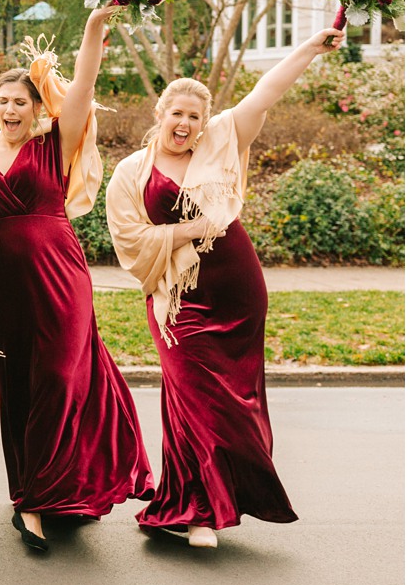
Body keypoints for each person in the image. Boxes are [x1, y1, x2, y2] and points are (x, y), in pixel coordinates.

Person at [104, 27, 343, 547]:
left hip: (235, 286)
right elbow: (128, 238)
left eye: (194, 115)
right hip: (176, 298)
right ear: (160, 114)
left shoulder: (223, 138)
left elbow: (266, 92)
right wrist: (188, 230)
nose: (185, 124)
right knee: (192, 396)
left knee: (234, 402)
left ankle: (207, 505)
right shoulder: (130, 172)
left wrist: (307, 49)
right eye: (177, 114)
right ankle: (196, 511)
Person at [0, 10, 152, 554]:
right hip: (3, 284)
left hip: (60, 276)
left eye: (21, 101)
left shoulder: (55, 144)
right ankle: (34, 489)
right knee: (17, 386)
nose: (10, 109)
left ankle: (40, 504)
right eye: (3, 101)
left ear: (40, 108)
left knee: (61, 382)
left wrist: (92, 27)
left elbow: (85, 85)